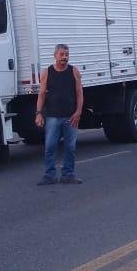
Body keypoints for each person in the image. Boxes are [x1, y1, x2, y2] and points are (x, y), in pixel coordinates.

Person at [34, 44, 84, 185]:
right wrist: (38, 113)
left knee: (70, 147)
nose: (64, 57)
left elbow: (79, 94)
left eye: (66, 54)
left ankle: (68, 174)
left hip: (71, 116)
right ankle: (49, 175)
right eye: (61, 54)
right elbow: (42, 94)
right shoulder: (47, 72)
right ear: (55, 55)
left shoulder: (74, 71)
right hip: (53, 116)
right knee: (50, 146)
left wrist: (78, 112)